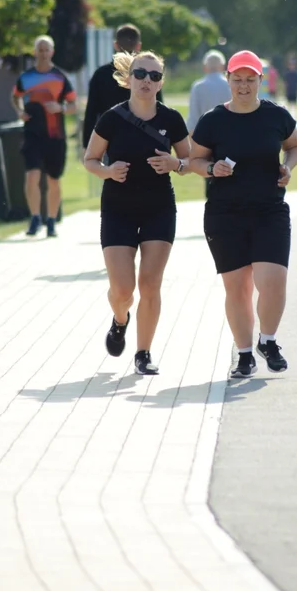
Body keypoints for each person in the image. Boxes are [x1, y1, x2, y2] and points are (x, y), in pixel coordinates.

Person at [188, 50, 297, 379]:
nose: (243, 86)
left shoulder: (276, 115)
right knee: (237, 288)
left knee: (274, 281)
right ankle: (243, 354)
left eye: (250, 80)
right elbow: (194, 162)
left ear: (260, 81)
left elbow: (295, 145)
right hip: (226, 213)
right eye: (237, 79)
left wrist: (288, 166)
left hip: (270, 209)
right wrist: (212, 167)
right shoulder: (213, 120)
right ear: (227, 80)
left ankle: (267, 341)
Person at [82, 50, 191, 376]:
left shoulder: (171, 119)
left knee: (150, 284)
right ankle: (120, 320)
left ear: (161, 83)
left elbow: (191, 161)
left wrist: (175, 164)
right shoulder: (111, 118)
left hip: (159, 209)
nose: (147, 81)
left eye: (154, 76)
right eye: (141, 74)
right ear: (129, 78)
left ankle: (143, 353)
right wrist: (108, 171)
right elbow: (90, 160)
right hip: (118, 210)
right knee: (122, 290)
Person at [11, 35, 76, 237]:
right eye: (40, 49)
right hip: (32, 133)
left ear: (52, 52)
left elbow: (74, 104)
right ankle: (35, 218)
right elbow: (15, 96)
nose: (43, 53)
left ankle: (51, 221)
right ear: (34, 52)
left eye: (47, 49)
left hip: (55, 135)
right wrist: (19, 111)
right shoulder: (26, 77)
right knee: (32, 175)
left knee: (53, 179)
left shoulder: (60, 77)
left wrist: (60, 107)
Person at [81, 24, 164, 151]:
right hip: (143, 136)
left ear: (115, 45)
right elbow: (158, 106)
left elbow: (91, 110)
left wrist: (87, 143)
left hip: (109, 138)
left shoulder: (101, 74)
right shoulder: (151, 73)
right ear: (138, 46)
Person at [188, 49, 230, 133]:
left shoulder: (197, 87)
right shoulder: (230, 85)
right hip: (228, 134)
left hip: (204, 136)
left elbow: (193, 120)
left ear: (204, 67)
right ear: (223, 67)